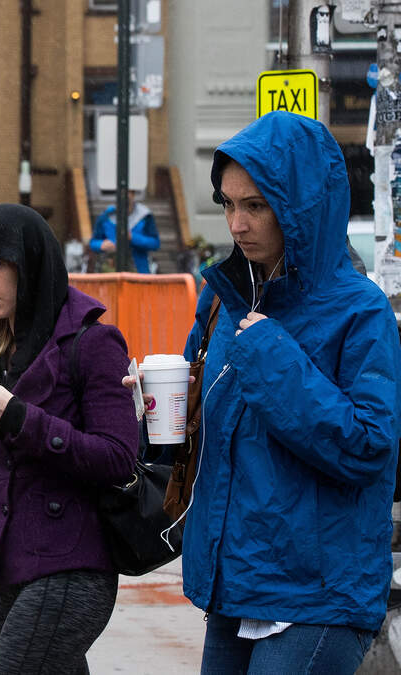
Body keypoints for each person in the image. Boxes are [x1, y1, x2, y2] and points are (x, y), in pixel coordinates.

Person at [129, 111, 401, 673]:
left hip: (319, 593)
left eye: (255, 205)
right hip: (236, 581)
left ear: (300, 206)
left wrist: (272, 355)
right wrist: (157, 406)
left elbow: (369, 446)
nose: (237, 224)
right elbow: (208, 431)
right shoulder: (222, 300)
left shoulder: (360, 310)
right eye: (228, 204)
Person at [0, 204, 139, 674]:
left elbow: (117, 457)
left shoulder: (93, 343)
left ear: (30, 264)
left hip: (71, 564)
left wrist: (17, 417)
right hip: (6, 562)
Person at [89, 189, 160, 273]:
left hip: (138, 270)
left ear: (133, 194)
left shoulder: (144, 216)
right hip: (111, 270)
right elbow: (93, 243)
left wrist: (133, 237)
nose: (124, 196)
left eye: (128, 192)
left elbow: (155, 243)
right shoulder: (106, 216)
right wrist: (101, 245)